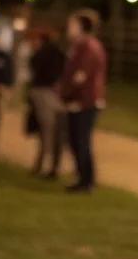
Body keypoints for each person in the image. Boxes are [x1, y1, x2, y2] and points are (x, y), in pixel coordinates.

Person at [59, 11, 107, 193]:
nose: (68, 28)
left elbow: (81, 76)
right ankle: (82, 178)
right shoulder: (79, 46)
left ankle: (87, 181)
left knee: (81, 140)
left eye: (72, 25)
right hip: (79, 100)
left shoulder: (89, 47)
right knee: (74, 140)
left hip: (85, 102)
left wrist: (68, 95)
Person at [28, 29, 67, 178]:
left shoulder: (42, 55)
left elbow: (35, 70)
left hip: (45, 94)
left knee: (47, 133)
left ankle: (44, 166)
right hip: (57, 96)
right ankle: (52, 166)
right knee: (56, 133)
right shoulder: (60, 54)